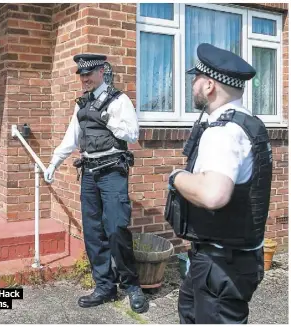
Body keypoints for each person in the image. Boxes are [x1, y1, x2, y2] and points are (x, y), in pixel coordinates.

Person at [165, 43, 273, 324]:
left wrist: (177, 178)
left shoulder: (223, 132)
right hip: (227, 260)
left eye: (196, 79)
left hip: (221, 265)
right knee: (189, 311)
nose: (193, 85)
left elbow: (214, 195)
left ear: (209, 85)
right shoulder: (249, 123)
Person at [44, 54, 148, 314]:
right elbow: (71, 139)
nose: (85, 78)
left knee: (116, 229)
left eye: (89, 73)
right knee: (93, 232)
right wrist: (53, 163)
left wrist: (107, 118)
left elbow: (132, 134)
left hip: (113, 172)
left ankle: (132, 286)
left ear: (102, 72)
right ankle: (105, 286)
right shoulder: (81, 104)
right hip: (89, 174)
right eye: (81, 74)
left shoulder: (118, 100)